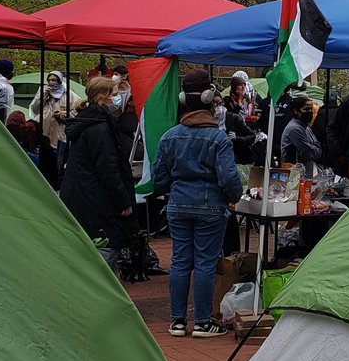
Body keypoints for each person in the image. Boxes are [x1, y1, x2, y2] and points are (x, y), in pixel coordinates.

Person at [152, 68, 242, 338]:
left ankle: (178, 321)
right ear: (209, 98)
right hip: (210, 207)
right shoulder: (219, 139)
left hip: (178, 205)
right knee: (204, 262)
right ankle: (203, 322)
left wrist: (176, 190)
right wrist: (234, 198)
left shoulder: (169, 136)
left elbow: (159, 177)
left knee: (180, 261)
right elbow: (229, 178)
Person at [60, 76, 139, 271]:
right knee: (106, 250)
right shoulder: (100, 128)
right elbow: (108, 168)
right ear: (102, 98)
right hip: (98, 200)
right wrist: (123, 200)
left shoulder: (87, 123)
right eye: (114, 94)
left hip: (83, 196)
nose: (118, 98)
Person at [280, 92, 324, 178]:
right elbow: (308, 152)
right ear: (296, 111)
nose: (310, 112)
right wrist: (315, 149)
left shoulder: (306, 128)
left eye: (311, 109)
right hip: (294, 175)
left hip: (305, 174)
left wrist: (315, 149)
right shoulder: (294, 129)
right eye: (306, 109)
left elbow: (317, 149)